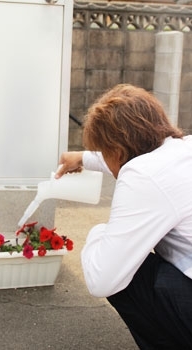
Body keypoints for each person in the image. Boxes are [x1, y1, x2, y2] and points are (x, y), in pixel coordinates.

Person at [55, 84, 192, 349]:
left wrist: (99, 232)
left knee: (128, 273)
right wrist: (82, 158)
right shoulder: (183, 148)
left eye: (105, 153)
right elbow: (129, 154)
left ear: (116, 151)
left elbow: (102, 280)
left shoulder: (142, 175)